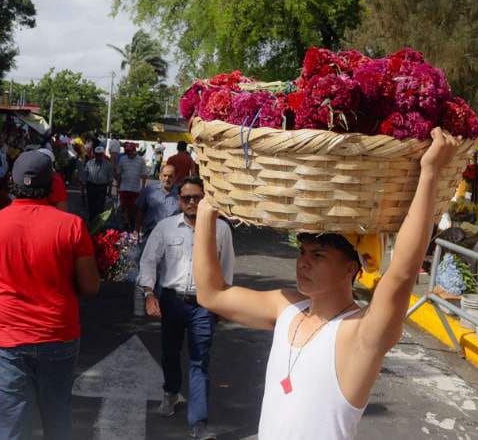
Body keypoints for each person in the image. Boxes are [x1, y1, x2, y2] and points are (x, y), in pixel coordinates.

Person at [192, 127, 462, 440]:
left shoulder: (361, 332)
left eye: (318, 255)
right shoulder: (287, 307)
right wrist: (205, 212)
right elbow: (211, 294)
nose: (303, 262)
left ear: (352, 267)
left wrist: (430, 172)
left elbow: (402, 272)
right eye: (303, 251)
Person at [0, 150, 100, 440]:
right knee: (57, 416)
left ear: (12, 183)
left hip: (7, 340)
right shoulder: (72, 226)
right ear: (51, 184)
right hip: (58, 334)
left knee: (11, 423)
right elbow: (90, 287)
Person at [138, 177, 234, 440]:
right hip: (172, 301)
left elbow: (227, 269)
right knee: (170, 353)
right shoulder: (166, 227)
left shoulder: (221, 229)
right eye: (186, 198)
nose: (192, 202)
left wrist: (223, 305)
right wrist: (149, 293)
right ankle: (170, 392)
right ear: (178, 200)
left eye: (197, 197)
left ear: (206, 199)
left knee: (199, 361)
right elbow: (148, 261)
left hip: (204, 304)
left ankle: (198, 423)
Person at [135, 163, 180, 241]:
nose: (167, 179)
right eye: (165, 175)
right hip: (150, 234)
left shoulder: (180, 194)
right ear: (160, 176)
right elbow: (140, 211)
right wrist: (136, 231)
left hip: (172, 236)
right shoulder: (149, 190)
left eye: (170, 176)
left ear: (175, 178)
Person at [116, 142, 148, 231]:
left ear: (134, 150)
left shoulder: (141, 160)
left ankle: (132, 224)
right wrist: (118, 185)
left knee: (134, 209)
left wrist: (143, 188)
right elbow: (118, 172)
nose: (129, 153)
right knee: (125, 208)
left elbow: (144, 174)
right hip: (124, 188)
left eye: (130, 151)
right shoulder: (122, 159)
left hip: (135, 189)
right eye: (127, 152)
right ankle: (126, 225)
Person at [83, 145, 113, 221]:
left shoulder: (108, 164)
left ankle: (98, 225)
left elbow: (110, 179)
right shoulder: (89, 163)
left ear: (103, 154)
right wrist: (83, 189)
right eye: (97, 154)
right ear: (94, 154)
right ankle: (91, 223)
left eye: (100, 154)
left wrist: (109, 191)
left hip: (102, 187)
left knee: (100, 207)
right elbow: (85, 176)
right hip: (91, 186)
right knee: (91, 206)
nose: (98, 156)